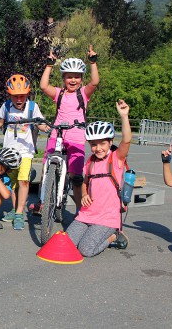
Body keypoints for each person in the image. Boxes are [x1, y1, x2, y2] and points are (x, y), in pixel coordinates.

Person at [0, 74, 48, 231]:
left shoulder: (32, 107)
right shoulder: (6, 106)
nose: (19, 99)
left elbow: (40, 122)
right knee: (13, 184)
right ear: (9, 95)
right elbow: (0, 121)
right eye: (15, 96)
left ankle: (19, 214)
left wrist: (45, 127)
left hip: (26, 152)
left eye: (22, 96)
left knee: (24, 181)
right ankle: (15, 210)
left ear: (28, 94)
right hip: (9, 153)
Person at [65, 100, 131, 257]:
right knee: (67, 244)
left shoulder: (116, 158)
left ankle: (114, 235)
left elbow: (127, 140)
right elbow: (85, 182)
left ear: (110, 142)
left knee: (85, 250)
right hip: (88, 213)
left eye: (102, 143)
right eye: (93, 144)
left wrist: (124, 116)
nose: (98, 148)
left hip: (107, 218)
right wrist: (85, 194)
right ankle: (94, 233)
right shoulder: (90, 161)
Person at [39, 45, 99, 213]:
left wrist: (92, 62)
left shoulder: (83, 94)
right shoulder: (59, 94)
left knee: (76, 177)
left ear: (81, 78)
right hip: (56, 135)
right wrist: (49, 65)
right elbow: (44, 86)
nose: (73, 80)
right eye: (69, 77)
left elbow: (94, 82)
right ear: (63, 78)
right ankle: (44, 200)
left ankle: (82, 212)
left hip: (76, 137)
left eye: (77, 77)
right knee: (47, 167)